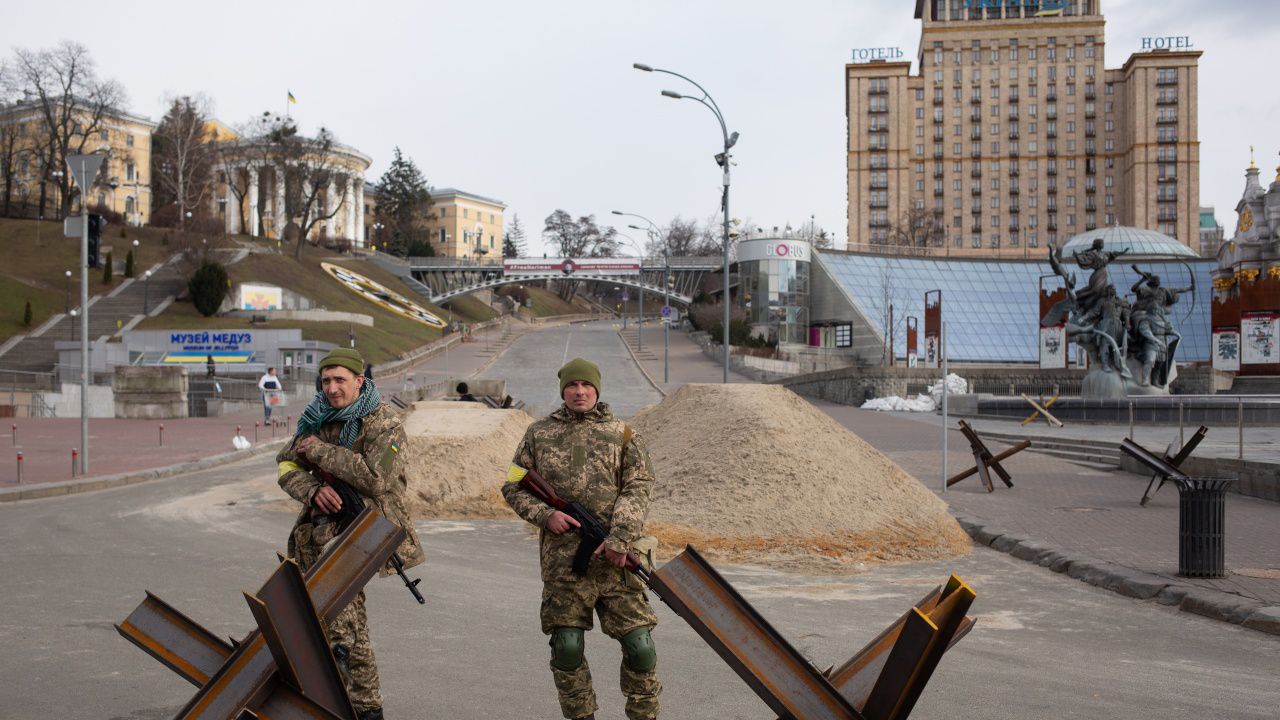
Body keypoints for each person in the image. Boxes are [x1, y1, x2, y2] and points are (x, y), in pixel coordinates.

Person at [502, 358, 661, 720]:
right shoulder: (538, 434)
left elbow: (639, 488)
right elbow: (512, 484)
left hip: (616, 563)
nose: (579, 392)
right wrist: (546, 515)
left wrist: (621, 538)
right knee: (567, 648)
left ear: (597, 389)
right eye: (572, 386)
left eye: (586, 386)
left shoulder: (623, 434)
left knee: (640, 647)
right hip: (563, 568)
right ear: (563, 391)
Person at [275, 347, 424, 720]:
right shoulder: (315, 418)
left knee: (344, 627)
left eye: (340, 379)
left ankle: (363, 707)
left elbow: (377, 478)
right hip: (320, 536)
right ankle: (353, 706)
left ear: (360, 381)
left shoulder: (384, 424)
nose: (331, 388)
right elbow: (286, 463)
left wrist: (321, 452)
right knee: (334, 624)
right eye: (325, 380)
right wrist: (311, 490)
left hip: (366, 534)